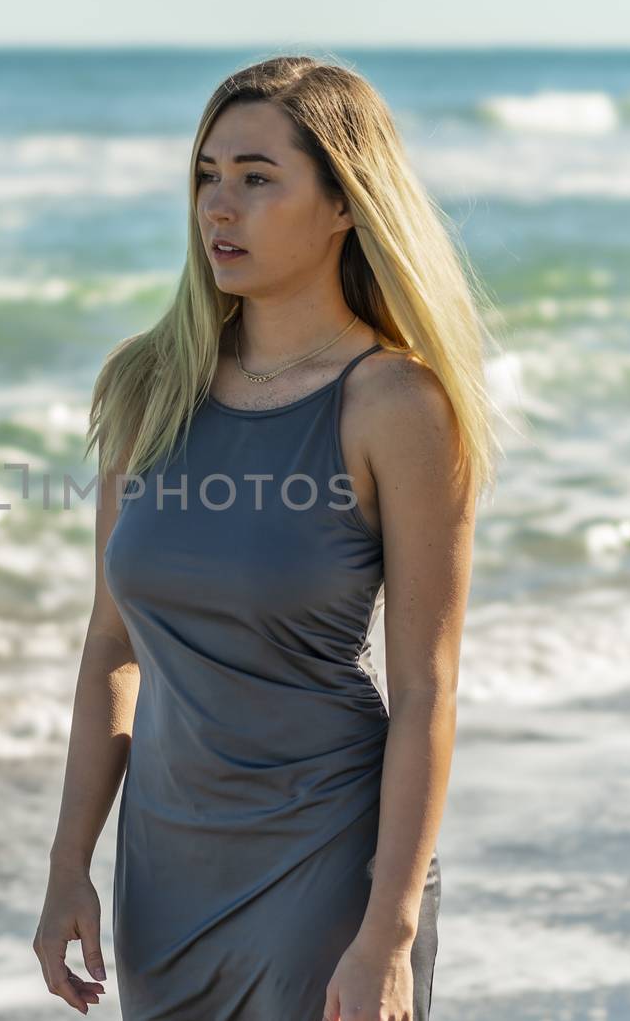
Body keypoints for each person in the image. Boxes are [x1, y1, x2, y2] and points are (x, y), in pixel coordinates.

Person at [33, 54, 502, 1020]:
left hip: (328, 862)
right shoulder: (146, 383)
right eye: (207, 176)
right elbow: (112, 644)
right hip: (163, 876)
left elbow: (425, 686)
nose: (219, 207)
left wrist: (389, 929)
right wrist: (68, 864)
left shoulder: (397, 404)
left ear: (343, 203)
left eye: (257, 178)